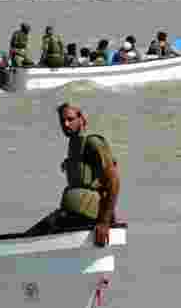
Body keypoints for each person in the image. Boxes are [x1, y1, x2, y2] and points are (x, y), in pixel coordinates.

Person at [27, 103, 121, 247]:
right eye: (62, 121)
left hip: (87, 217)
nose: (65, 124)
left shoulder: (93, 142)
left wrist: (105, 222)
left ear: (81, 119)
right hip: (72, 214)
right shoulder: (75, 146)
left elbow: (113, 181)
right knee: (32, 235)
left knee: (33, 238)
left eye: (70, 119)